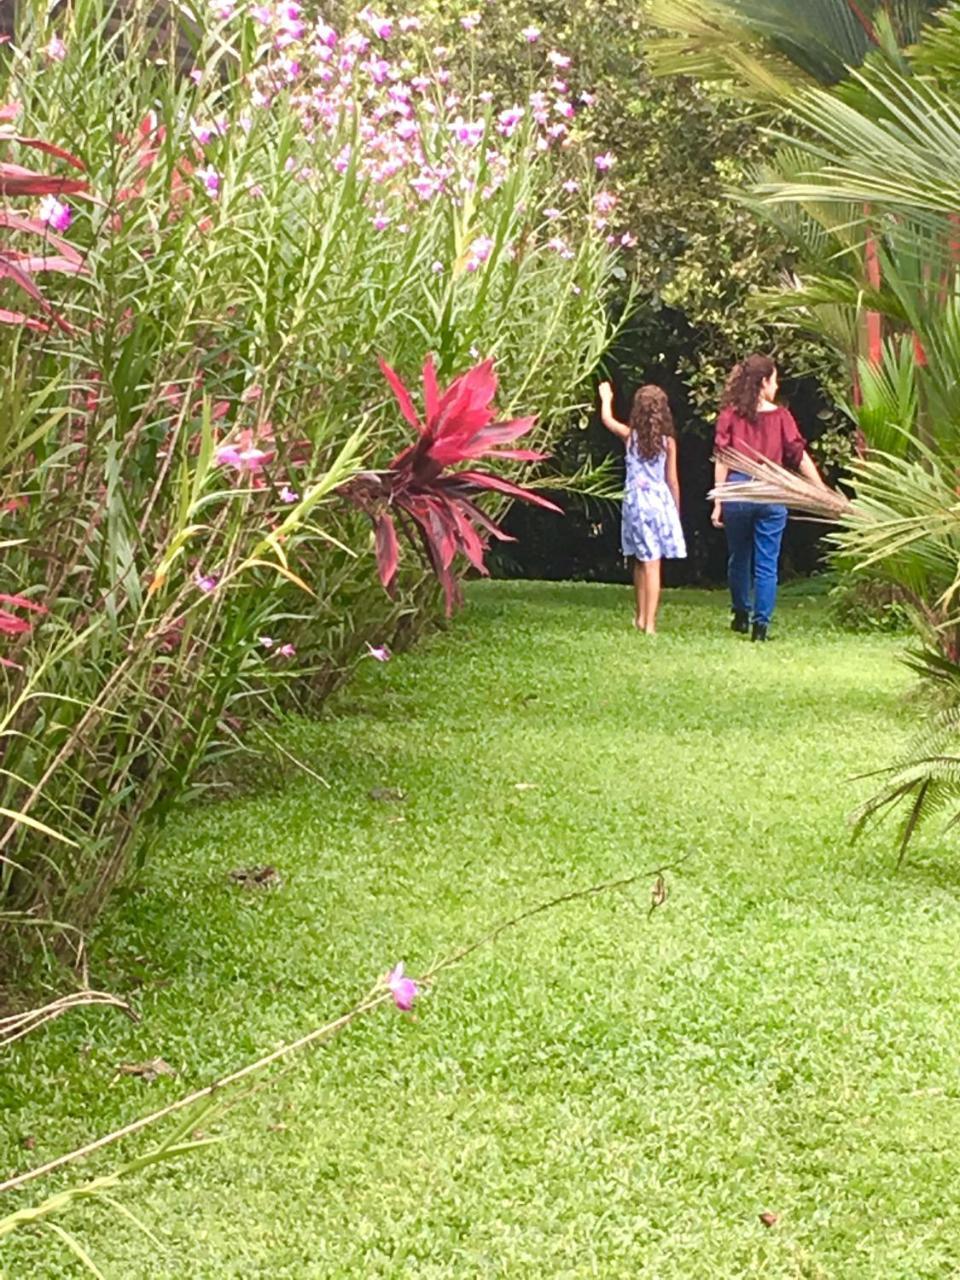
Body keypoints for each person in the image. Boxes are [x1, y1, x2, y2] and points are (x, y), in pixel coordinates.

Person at [712, 354, 825, 642]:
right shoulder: (781, 417)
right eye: (774, 381)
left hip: (738, 490)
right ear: (763, 382)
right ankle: (760, 626)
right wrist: (820, 489)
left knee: (739, 556)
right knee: (767, 563)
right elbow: (798, 457)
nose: (776, 387)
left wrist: (718, 500)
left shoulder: (730, 415)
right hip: (772, 491)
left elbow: (723, 458)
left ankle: (740, 612)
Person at [599, 380, 686, 634]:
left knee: (639, 559)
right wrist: (676, 511)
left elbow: (607, 419)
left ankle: (640, 617)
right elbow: (672, 480)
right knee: (653, 563)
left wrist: (606, 397)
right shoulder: (668, 443)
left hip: (635, 503)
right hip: (658, 503)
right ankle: (649, 623)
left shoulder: (630, 438)